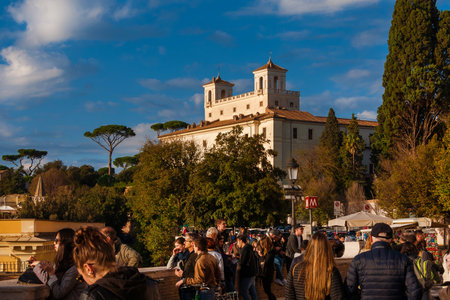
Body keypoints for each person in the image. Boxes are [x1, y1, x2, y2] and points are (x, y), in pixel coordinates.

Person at [73, 226, 159, 300]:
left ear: (89, 269)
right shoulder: (147, 283)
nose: (83, 282)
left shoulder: (92, 295)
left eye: (80, 277)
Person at [345, 223, 422, 300]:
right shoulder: (402, 259)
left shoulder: (359, 259)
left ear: (371, 238)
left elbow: (349, 289)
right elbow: (414, 289)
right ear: (391, 239)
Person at [285, 232, 344, 300]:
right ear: (327, 248)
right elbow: (337, 297)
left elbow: (289, 294)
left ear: (310, 246)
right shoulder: (331, 270)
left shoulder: (296, 268)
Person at [31, 228, 86, 300]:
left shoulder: (75, 269)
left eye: (56, 241)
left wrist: (50, 273)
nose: (54, 243)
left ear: (64, 244)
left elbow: (58, 293)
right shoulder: (63, 263)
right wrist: (39, 263)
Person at [175, 233, 199, 300]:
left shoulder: (195, 256)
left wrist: (183, 275)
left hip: (191, 289)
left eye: (186, 241)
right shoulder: (188, 255)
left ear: (192, 243)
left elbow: (195, 273)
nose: (184, 242)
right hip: (186, 288)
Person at [236, 234, 258, 300]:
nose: (237, 244)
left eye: (237, 242)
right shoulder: (249, 248)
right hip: (252, 272)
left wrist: (238, 261)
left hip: (248, 273)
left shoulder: (245, 249)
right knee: (252, 290)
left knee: (243, 291)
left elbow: (242, 262)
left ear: (241, 241)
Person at [256, 236, 276, 300]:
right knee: (267, 290)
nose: (261, 245)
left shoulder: (271, 251)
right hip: (265, 272)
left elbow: (267, 261)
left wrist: (261, 256)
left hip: (268, 273)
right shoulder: (266, 251)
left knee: (267, 290)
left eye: (262, 243)